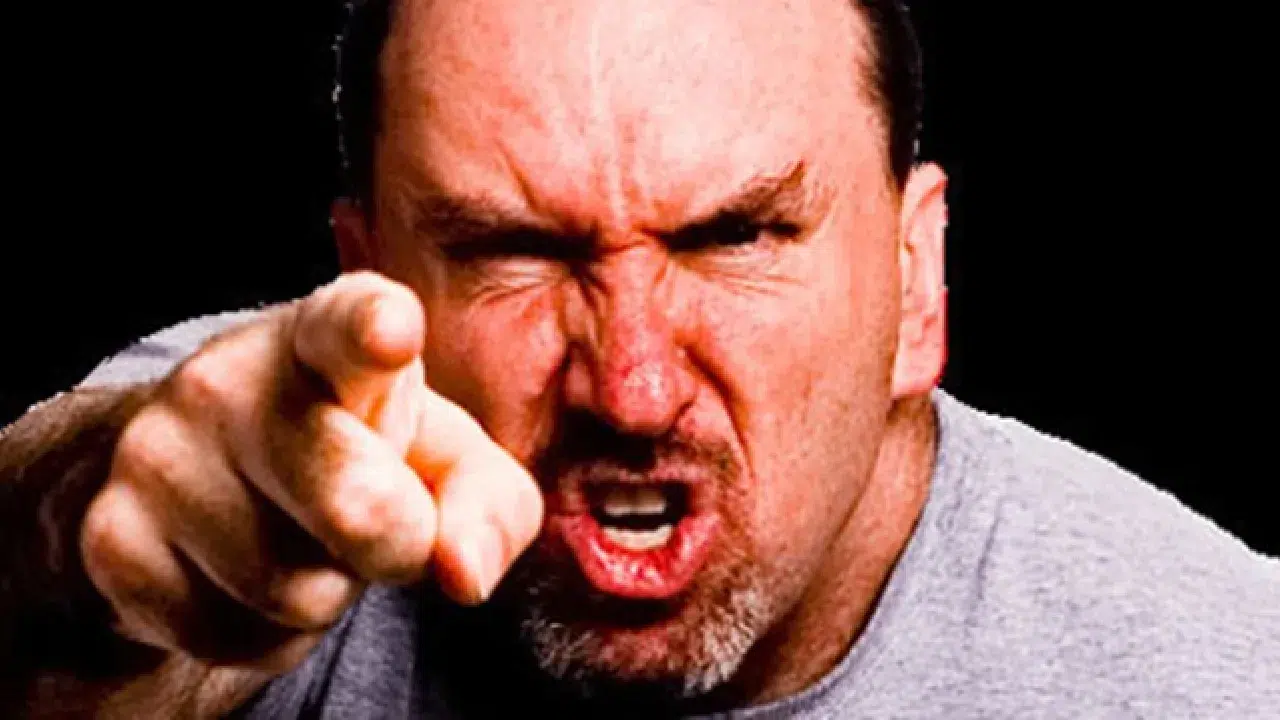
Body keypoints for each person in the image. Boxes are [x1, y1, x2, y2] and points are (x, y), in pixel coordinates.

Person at [2, 0, 1276, 717]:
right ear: (368, 275)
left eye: (733, 237)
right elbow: (83, 520)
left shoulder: (1221, 675)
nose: (632, 388)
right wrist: (92, 567)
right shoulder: (272, 456)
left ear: (913, 281)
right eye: (511, 250)